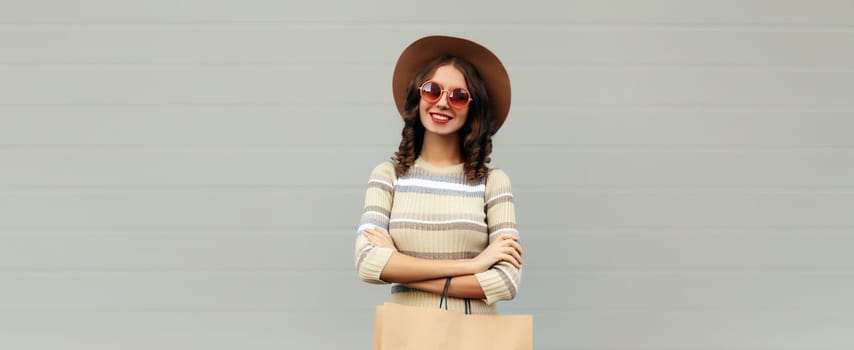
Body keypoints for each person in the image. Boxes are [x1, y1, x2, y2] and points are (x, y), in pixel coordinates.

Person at [354, 35, 523, 315]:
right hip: (405, 335)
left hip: (476, 336)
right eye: (432, 90)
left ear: (473, 108)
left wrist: (398, 266)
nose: (443, 103)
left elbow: (506, 282)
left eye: (458, 96)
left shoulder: (493, 183)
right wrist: (471, 266)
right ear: (418, 97)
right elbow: (367, 262)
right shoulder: (388, 177)